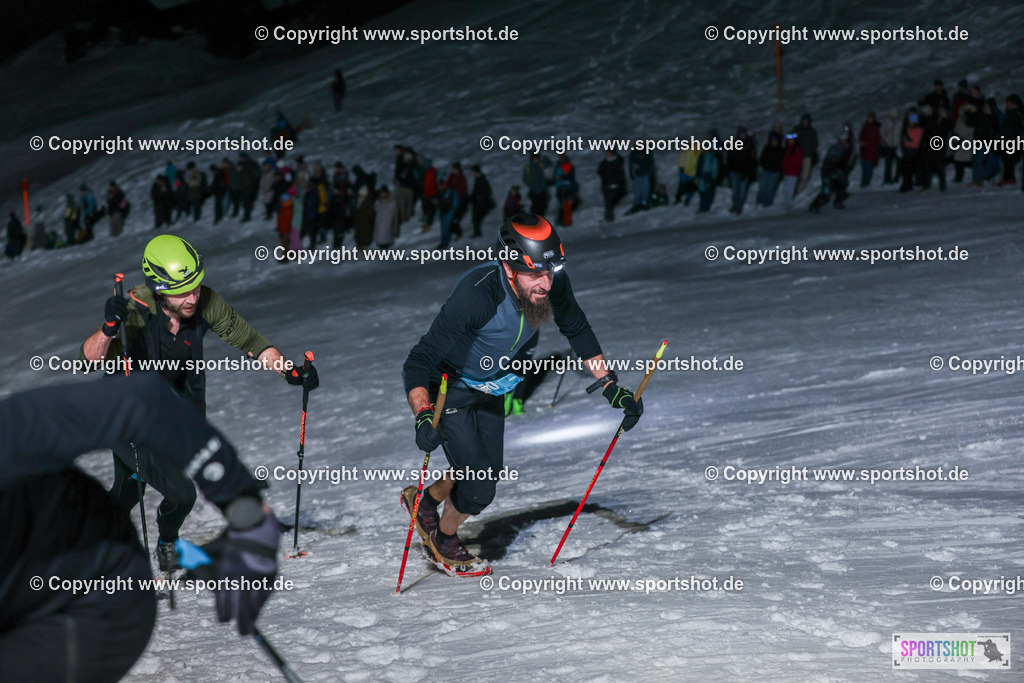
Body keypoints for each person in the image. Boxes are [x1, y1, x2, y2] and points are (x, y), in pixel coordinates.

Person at [400, 214, 644, 575]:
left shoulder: (549, 281)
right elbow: (418, 360)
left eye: (550, 272)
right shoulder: (478, 294)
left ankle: (425, 502)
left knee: (485, 470)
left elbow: (576, 328)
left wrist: (610, 386)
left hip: (495, 387)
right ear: (508, 266)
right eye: (534, 275)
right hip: (449, 391)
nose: (545, 283)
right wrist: (422, 412)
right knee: (481, 488)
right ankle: (443, 539)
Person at [0, 373, 282, 681]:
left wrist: (250, 520)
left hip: (93, 598)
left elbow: (142, 401)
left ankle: (169, 547)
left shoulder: (10, 436)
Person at [78, 235, 316, 571]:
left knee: (130, 488)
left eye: (197, 286)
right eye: (183, 291)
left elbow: (248, 339)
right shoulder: (134, 312)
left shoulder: (203, 303)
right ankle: (160, 544)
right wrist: (108, 328)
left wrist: (289, 371)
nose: (193, 297)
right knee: (182, 493)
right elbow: (89, 360)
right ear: (159, 287)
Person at [810, 133, 854, 212]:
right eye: (843, 140)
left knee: (842, 184)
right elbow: (830, 161)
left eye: (845, 140)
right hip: (828, 172)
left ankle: (838, 201)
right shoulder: (836, 148)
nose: (845, 141)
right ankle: (814, 206)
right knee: (826, 192)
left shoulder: (844, 148)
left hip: (835, 172)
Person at [727, 126, 757, 214]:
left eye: (743, 133)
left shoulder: (749, 144)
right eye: (741, 134)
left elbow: (752, 160)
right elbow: (730, 156)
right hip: (735, 170)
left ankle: (739, 206)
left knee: (742, 191)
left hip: (745, 172)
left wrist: (749, 172)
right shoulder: (734, 143)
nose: (742, 135)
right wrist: (729, 168)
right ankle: (735, 204)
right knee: (735, 190)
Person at [792, 113, 819, 194]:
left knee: (805, 175)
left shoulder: (811, 131)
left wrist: (811, 151)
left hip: (807, 156)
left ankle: (799, 190)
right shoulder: (797, 129)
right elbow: (789, 137)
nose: (805, 123)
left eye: (806, 121)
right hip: (797, 155)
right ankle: (793, 190)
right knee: (795, 174)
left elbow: (815, 143)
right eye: (804, 121)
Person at [696, 130, 721, 213]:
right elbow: (699, 166)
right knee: (702, 191)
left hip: (708, 175)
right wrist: (697, 175)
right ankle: (702, 206)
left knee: (707, 192)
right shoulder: (702, 156)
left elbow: (715, 168)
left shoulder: (712, 157)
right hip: (702, 175)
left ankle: (706, 207)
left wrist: (713, 177)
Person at [598, 150, 627, 221]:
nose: (607, 154)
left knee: (613, 200)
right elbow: (600, 171)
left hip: (615, 185)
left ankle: (611, 215)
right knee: (608, 202)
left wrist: (620, 183)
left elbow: (620, 174)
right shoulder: (604, 163)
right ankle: (608, 216)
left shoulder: (617, 162)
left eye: (609, 153)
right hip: (607, 185)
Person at [756, 132, 783, 207]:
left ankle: (767, 203)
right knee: (762, 187)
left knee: (770, 188)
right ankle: (759, 201)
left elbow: (782, 161)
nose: (774, 142)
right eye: (773, 140)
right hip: (766, 170)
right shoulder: (767, 148)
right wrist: (762, 165)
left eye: (776, 140)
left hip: (775, 171)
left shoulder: (780, 150)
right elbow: (762, 158)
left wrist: (779, 169)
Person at [468, 165, 495, 238]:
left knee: (476, 218)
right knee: (475, 218)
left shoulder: (482, 180)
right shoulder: (478, 179)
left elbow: (487, 191)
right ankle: (477, 232)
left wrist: (480, 197)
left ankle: (477, 233)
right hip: (478, 203)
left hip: (481, 203)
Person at [553, 153, 579, 226]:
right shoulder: (559, 165)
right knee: (563, 207)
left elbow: (572, 185)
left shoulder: (569, 176)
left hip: (568, 193)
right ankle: (562, 220)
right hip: (563, 190)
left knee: (566, 208)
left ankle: (566, 222)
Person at [879, 108, 902, 185]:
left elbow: (903, 132)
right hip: (888, 146)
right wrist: (885, 139)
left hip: (897, 146)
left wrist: (900, 142)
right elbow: (882, 131)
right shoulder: (887, 122)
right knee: (888, 164)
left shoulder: (900, 123)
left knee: (898, 163)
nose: (893, 117)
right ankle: (887, 179)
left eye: (894, 115)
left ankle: (896, 178)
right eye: (892, 115)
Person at [626, 148, 654, 213]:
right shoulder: (634, 153)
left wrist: (650, 172)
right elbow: (630, 163)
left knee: (645, 189)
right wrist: (631, 173)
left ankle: (645, 203)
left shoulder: (646, 152)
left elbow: (650, 162)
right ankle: (637, 204)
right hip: (638, 174)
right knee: (638, 189)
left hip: (645, 174)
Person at [858, 112, 881, 187]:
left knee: (868, 167)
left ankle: (866, 182)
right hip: (865, 150)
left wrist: (866, 143)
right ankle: (864, 182)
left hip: (871, 150)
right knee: (865, 167)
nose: (869, 119)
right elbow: (861, 135)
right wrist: (862, 141)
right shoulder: (866, 126)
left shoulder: (875, 127)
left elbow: (876, 139)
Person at [781, 133, 803, 209]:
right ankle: (786, 202)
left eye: (792, 140)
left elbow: (798, 161)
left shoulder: (797, 149)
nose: (790, 141)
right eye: (789, 140)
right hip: (787, 171)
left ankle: (789, 203)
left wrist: (795, 168)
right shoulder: (787, 148)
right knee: (786, 188)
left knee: (790, 188)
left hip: (793, 172)